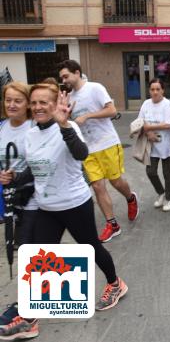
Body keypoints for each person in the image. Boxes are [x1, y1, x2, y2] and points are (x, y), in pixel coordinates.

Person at [3, 83, 128, 313]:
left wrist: (63, 125)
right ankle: (31, 314)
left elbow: (81, 153)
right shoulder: (31, 135)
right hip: (46, 207)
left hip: (74, 204)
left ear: (54, 104)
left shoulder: (68, 127)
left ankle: (115, 283)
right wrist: (13, 178)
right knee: (41, 257)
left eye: (43, 102)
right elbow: (34, 170)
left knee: (91, 247)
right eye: (34, 103)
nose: (38, 107)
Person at [59, 60, 139, 243]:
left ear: (77, 73)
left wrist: (87, 116)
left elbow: (112, 110)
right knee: (97, 186)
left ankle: (130, 197)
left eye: (66, 76)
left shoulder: (95, 88)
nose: (64, 80)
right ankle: (112, 224)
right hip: (87, 148)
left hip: (107, 143)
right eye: (62, 78)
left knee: (116, 182)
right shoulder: (69, 98)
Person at [0, 82, 40, 340]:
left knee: (28, 248)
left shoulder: (35, 129)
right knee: (18, 247)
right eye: (8, 100)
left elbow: (42, 165)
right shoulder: (1, 128)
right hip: (10, 199)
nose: (12, 105)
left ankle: (28, 314)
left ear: (27, 103)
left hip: (34, 200)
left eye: (17, 100)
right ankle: (24, 305)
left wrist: (18, 177)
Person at [137, 78, 170, 212]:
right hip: (151, 145)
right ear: (149, 91)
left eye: (158, 89)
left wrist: (150, 127)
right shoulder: (146, 104)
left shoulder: (167, 104)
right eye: (152, 89)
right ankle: (161, 193)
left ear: (163, 90)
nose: (155, 92)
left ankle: (169, 199)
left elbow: (168, 124)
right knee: (150, 172)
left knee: (167, 174)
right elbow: (140, 122)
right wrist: (148, 133)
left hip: (166, 145)